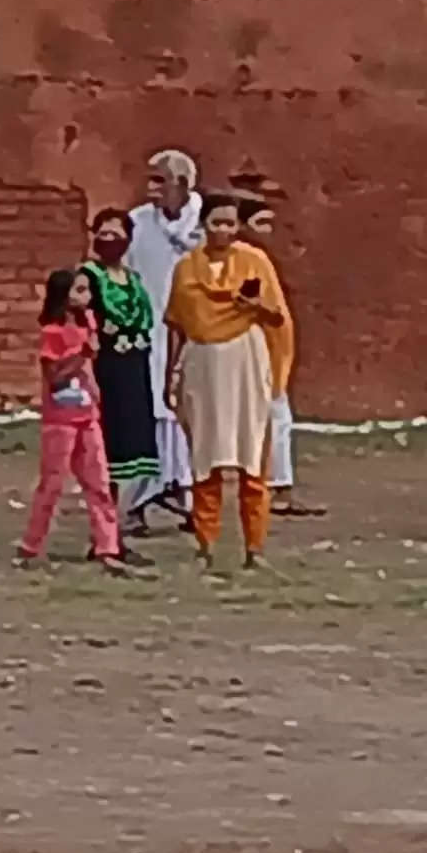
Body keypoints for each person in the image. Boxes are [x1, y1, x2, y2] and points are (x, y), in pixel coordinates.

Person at [163, 193, 293, 571]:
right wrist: (170, 373)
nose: (223, 230)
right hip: (201, 364)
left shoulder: (255, 262)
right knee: (205, 455)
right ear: (203, 225)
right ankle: (206, 543)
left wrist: (253, 306)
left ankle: (255, 547)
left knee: (251, 453)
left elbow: (277, 317)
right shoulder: (186, 269)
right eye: (216, 222)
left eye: (230, 224)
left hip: (247, 361)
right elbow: (177, 325)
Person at [21, 266, 135, 573]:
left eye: (87, 290)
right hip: (60, 419)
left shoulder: (89, 325)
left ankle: (107, 546)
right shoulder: (53, 333)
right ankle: (32, 544)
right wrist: (81, 355)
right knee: (53, 483)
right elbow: (55, 377)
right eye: (79, 290)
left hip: (88, 416)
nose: (86, 297)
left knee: (98, 482)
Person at [127, 149, 206, 522]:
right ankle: (150, 492)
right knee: (155, 415)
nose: (151, 189)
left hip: (200, 337)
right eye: (149, 180)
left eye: (160, 180)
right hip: (149, 334)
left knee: (192, 414)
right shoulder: (138, 224)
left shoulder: (207, 226)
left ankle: (189, 493)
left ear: (183, 184)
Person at [84, 208, 163, 533]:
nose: (109, 240)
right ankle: (103, 532)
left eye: (116, 234)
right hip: (105, 370)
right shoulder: (88, 277)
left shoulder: (133, 279)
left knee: (127, 453)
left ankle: (116, 523)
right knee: (105, 449)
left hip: (134, 369)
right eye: (102, 233)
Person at [244, 199, 319, 519]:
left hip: (271, 353)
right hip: (251, 353)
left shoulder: (259, 261)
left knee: (278, 419)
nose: (269, 231)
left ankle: (279, 487)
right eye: (261, 223)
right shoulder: (245, 261)